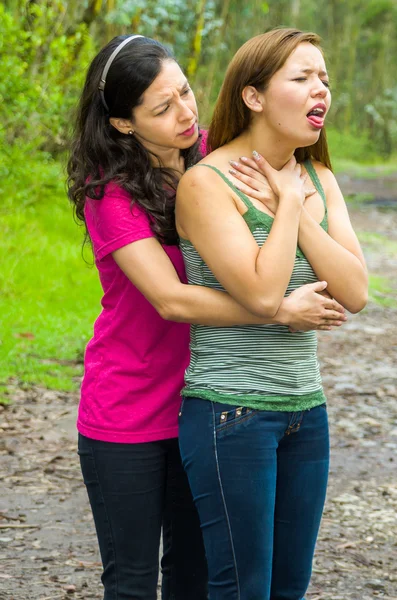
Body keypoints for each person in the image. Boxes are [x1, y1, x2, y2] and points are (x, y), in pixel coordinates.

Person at [67, 33, 348, 600]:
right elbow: (171, 300)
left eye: (186, 93)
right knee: (133, 580)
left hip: (207, 402)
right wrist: (277, 312)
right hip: (131, 407)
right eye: (162, 108)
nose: (186, 113)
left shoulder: (215, 158)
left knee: (196, 577)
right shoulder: (110, 194)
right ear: (124, 124)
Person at [175, 28, 368, 600]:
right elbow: (263, 295)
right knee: (243, 588)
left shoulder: (318, 179)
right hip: (230, 413)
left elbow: (355, 291)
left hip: (305, 414)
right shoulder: (207, 184)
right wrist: (285, 204)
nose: (321, 91)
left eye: (325, 79)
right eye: (302, 77)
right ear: (254, 96)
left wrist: (296, 205)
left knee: (289, 588)